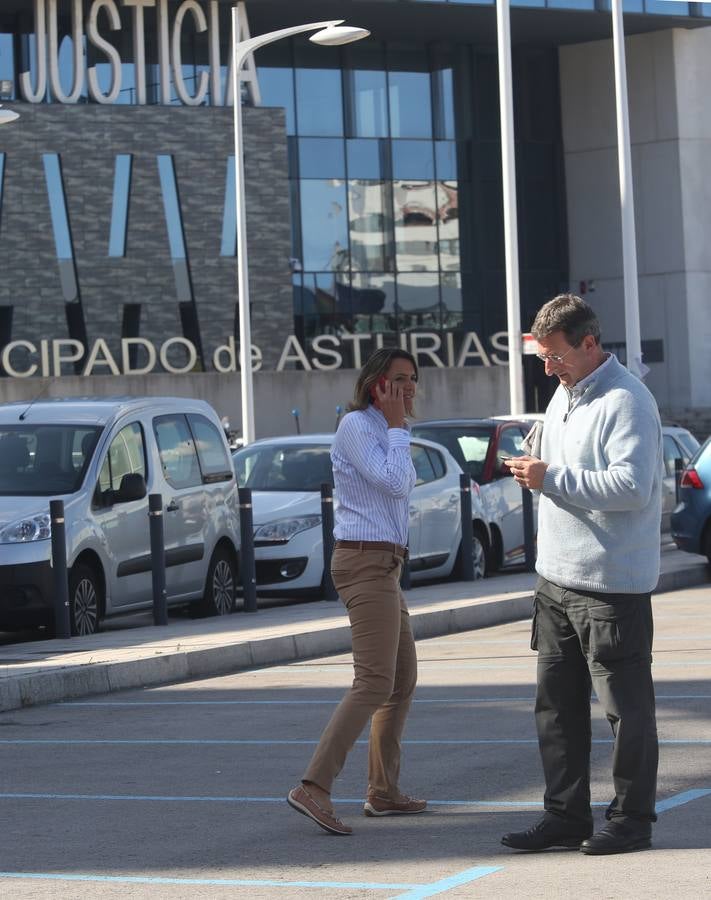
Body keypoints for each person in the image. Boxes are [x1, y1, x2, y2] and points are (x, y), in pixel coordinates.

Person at [500, 294, 663, 856]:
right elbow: (563, 466)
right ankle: (565, 816)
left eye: (556, 356)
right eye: (542, 357)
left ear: (589, 343)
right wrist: (536, 461)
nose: (548, 368)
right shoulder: (565, 392)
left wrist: (550, 477)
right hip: (556, 581)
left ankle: (632, 821)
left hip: (610, 587)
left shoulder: (627, 400)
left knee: (627, 712)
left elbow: (631, 487)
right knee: (556, 710)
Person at [287, 348, 427, 836]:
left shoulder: (391, 430)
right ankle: (314, 785)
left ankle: (383, 791)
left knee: (401, 679)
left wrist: (397, 428)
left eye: (412, 378)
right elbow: (394, 482)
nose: (408, 387)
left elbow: (400, 484)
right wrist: (397, 426)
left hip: (386, 564)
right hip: (364, 562)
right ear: (375, 385)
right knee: (373, 681)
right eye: (397, 379)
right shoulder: (358, 427)